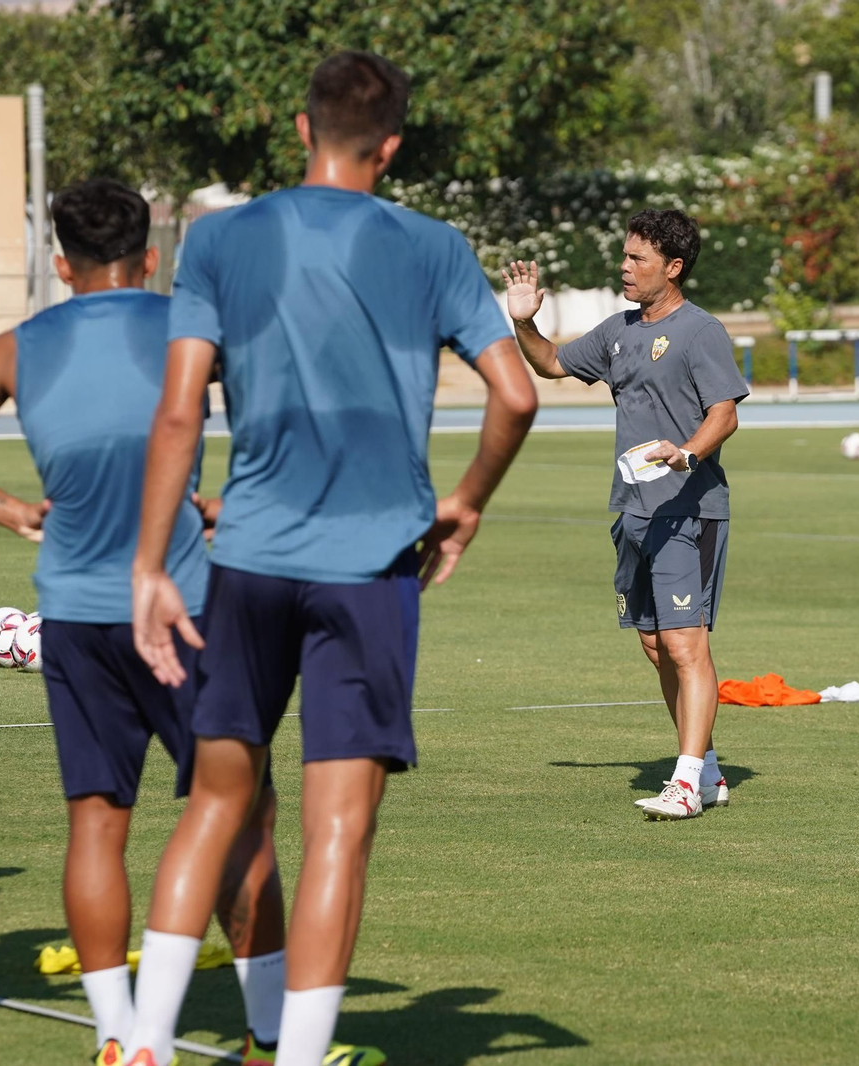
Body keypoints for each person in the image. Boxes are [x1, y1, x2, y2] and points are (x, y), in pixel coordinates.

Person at [125, 51, 537, 1066]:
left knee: (218, 802)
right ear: (390, 145)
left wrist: (148, 562)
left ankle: (138, 1043)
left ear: (300, 129)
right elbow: (517, 394)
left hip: (249, 557)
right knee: (338, 830)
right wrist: (468, 502)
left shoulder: (217, 239)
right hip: (370, 570)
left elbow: (179, 409)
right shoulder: (435, 247)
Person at [0, 178, 292, 1066]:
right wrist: (232, 504)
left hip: (71, 612)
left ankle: (117, 1038)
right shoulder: (189, 330)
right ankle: (270, 1035)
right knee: (243, 812)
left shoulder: (18, 346)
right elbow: (290, 398)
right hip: (180, 609)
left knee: (97, 821)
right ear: (151, 259)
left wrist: (12, 511)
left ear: (59, 262)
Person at [504, 209, 749, 820]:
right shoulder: (618, 330)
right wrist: (523, 322)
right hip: (633, 513)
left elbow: (726, 414)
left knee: (685, 643)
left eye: (638, 259)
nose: (624, 266)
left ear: (673, 267)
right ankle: (709, 770)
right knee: (654, 645)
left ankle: (686, 783)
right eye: (625, 255)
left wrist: (685, 455)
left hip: (688, 513)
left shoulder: (701, 332)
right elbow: (551, 363)